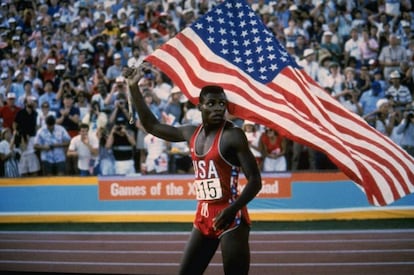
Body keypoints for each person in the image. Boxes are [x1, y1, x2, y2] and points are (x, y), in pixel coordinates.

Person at [126, 67, 262, 275]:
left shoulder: (233, 135)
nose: (218, 108)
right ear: (200, 107)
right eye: (211, 104)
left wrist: (233, 209)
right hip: (203, 214)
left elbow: (255, 180)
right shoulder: (191, 133)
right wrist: (134, 87)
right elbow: (152, 126)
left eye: (221, 104)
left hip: (231, 216)